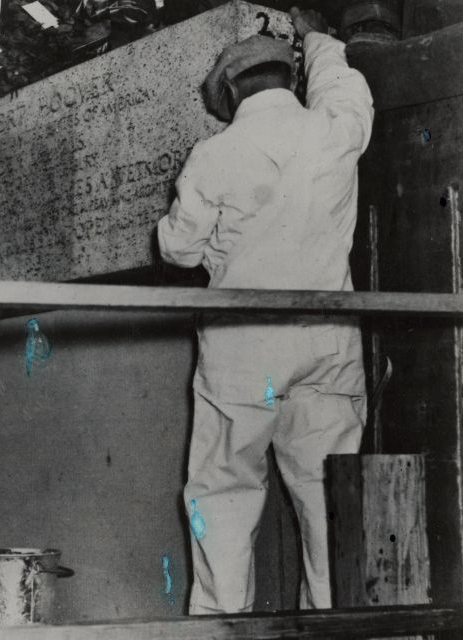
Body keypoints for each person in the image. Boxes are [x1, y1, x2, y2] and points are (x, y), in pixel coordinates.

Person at [156, 7, 373, 614]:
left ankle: (220, 628)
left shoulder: (214, 154)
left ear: (230, 92)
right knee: (329, 496)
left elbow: (178, 250)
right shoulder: (333, 129)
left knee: (224, 493)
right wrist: (318, 39)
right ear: (290, 78)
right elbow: (342, 84)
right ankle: (337, 627)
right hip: (328, 344)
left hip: (246, 351)